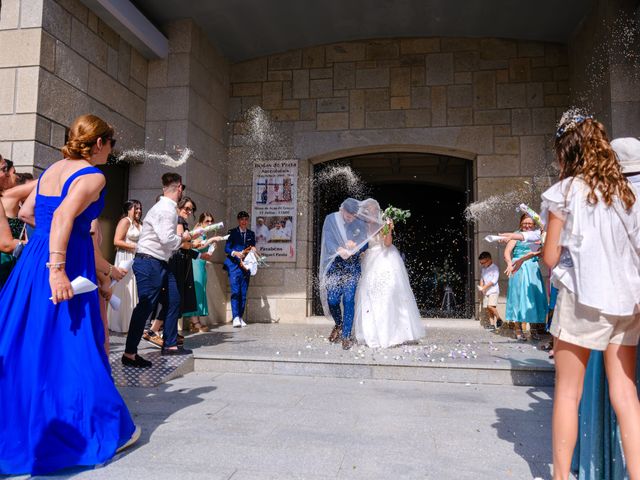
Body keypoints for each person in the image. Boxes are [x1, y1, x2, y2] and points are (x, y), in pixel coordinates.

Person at [0, 114, 138, 475]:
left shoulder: (51, 169)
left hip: (35, 260)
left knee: (27, 343)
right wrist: (59, 268)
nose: (112, 150)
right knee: (73, 345)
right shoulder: (93, 175)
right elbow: (63, 215)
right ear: (98, 144)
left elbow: (27, 211)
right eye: (111, 143)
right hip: (62, 264)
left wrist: (49, 242)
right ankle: (92, 425)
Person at [541, 113, 640, 480]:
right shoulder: (624, 193)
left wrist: (545, 261)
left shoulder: (564, 192)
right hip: (626, 300)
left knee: (568, 392)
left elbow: (550, 258)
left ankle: (562, 477)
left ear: (567, 151)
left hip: (583, 296)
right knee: (625, 392)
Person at [569, 136, 640, 479]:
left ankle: (603, 464)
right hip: (630, 303)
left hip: (608, 304)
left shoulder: (603, 200)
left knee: (609, 387)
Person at [124, 174, 203, 365]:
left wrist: (185, 237)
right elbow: (168, 240)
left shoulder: (166, 208)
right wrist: (185, 237)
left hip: (159, 262)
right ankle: (130, 354)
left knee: (174, 299)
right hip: (149, 262)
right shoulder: (166, 210)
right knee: (145, 306)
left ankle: (170, 344)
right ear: (179, 189)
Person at [353, 199, 423, 348]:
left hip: (385, 259)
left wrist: (389, 229)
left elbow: (387, 243)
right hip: (370, 261)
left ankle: (392, 333)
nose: (370, 213)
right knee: (369, 294)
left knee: (389, 293)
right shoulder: (362, 227)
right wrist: (361, 252)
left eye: (373, 210)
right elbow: (362, 244)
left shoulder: (383, 224)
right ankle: (372, 333)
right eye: (368, 210)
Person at [319, 198, 381, 350]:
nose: (352, 218)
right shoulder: (331, 219)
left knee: (348, 300)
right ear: (342, 211)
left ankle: (346, 335)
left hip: (352, 267)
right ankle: (339, 324)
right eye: (349, 216)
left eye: (354, 216)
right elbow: (328, 239)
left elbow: (364, 241)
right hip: (336, 266)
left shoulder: (359, 222)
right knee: (332, 300)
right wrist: (339, 249)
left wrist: (356, 246)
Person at [503, 213, 547, 341]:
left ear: (534, 225)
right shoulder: (516, 235)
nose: (527, 226)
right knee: (518, 297)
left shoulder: (537, 235)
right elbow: (507, 252)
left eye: (530, 223)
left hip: (533, 267)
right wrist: (509, 263)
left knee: (533, 297)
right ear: (520, 223)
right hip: (518, 267)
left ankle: (533, 329)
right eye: (525, 223)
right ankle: (518, 329)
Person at [184, 211, 224, 331]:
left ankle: (195, 321)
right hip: (195, 263)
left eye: (211, 221)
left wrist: (211, 248)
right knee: (196, 291)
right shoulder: (199, 230)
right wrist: (211, 241)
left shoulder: (205, 232)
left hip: (201, 263)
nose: (210, 223)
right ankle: (194, 323)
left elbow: (205, 251)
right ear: (201, 221)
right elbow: (196, 246)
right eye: (207, 221)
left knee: (200, 291)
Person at [106, 200, 142, 333]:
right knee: (123, 287)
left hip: (135, 257)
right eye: (136, 208)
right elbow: (116, 241)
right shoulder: (125, 221)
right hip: (125, 257)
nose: (138, 211)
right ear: (128, 209)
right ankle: (119, 323)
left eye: (140, 209)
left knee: (134, 288)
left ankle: (131, 322)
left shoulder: (139, 224)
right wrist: (135, 246)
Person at [224, 211, 256, 327]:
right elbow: (227, 249)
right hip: (234, 266)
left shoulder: (251, 234)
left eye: (246, 219)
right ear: (238, 220)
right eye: (242, 219)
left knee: (243, 293)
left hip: (246, 266)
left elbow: (252, 246)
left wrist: (254, 250)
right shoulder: (232, 232)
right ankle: (235, 317)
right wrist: (235, 253)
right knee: (235, 292)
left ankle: (240, 317)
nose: (244, 222)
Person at [478, 251, 503, 330]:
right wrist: (482, 286)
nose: (482, 265)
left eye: (483, 263)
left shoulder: (495, 268)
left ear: (489, 260)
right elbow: (482, 278)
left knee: (490, 306)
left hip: (493, 290)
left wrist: (484, 287)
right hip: (486, 292)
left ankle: (499, 319)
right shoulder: (483, 269)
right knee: (488, 309)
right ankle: (492, 324)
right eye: (481, 263)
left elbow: (493, 281)